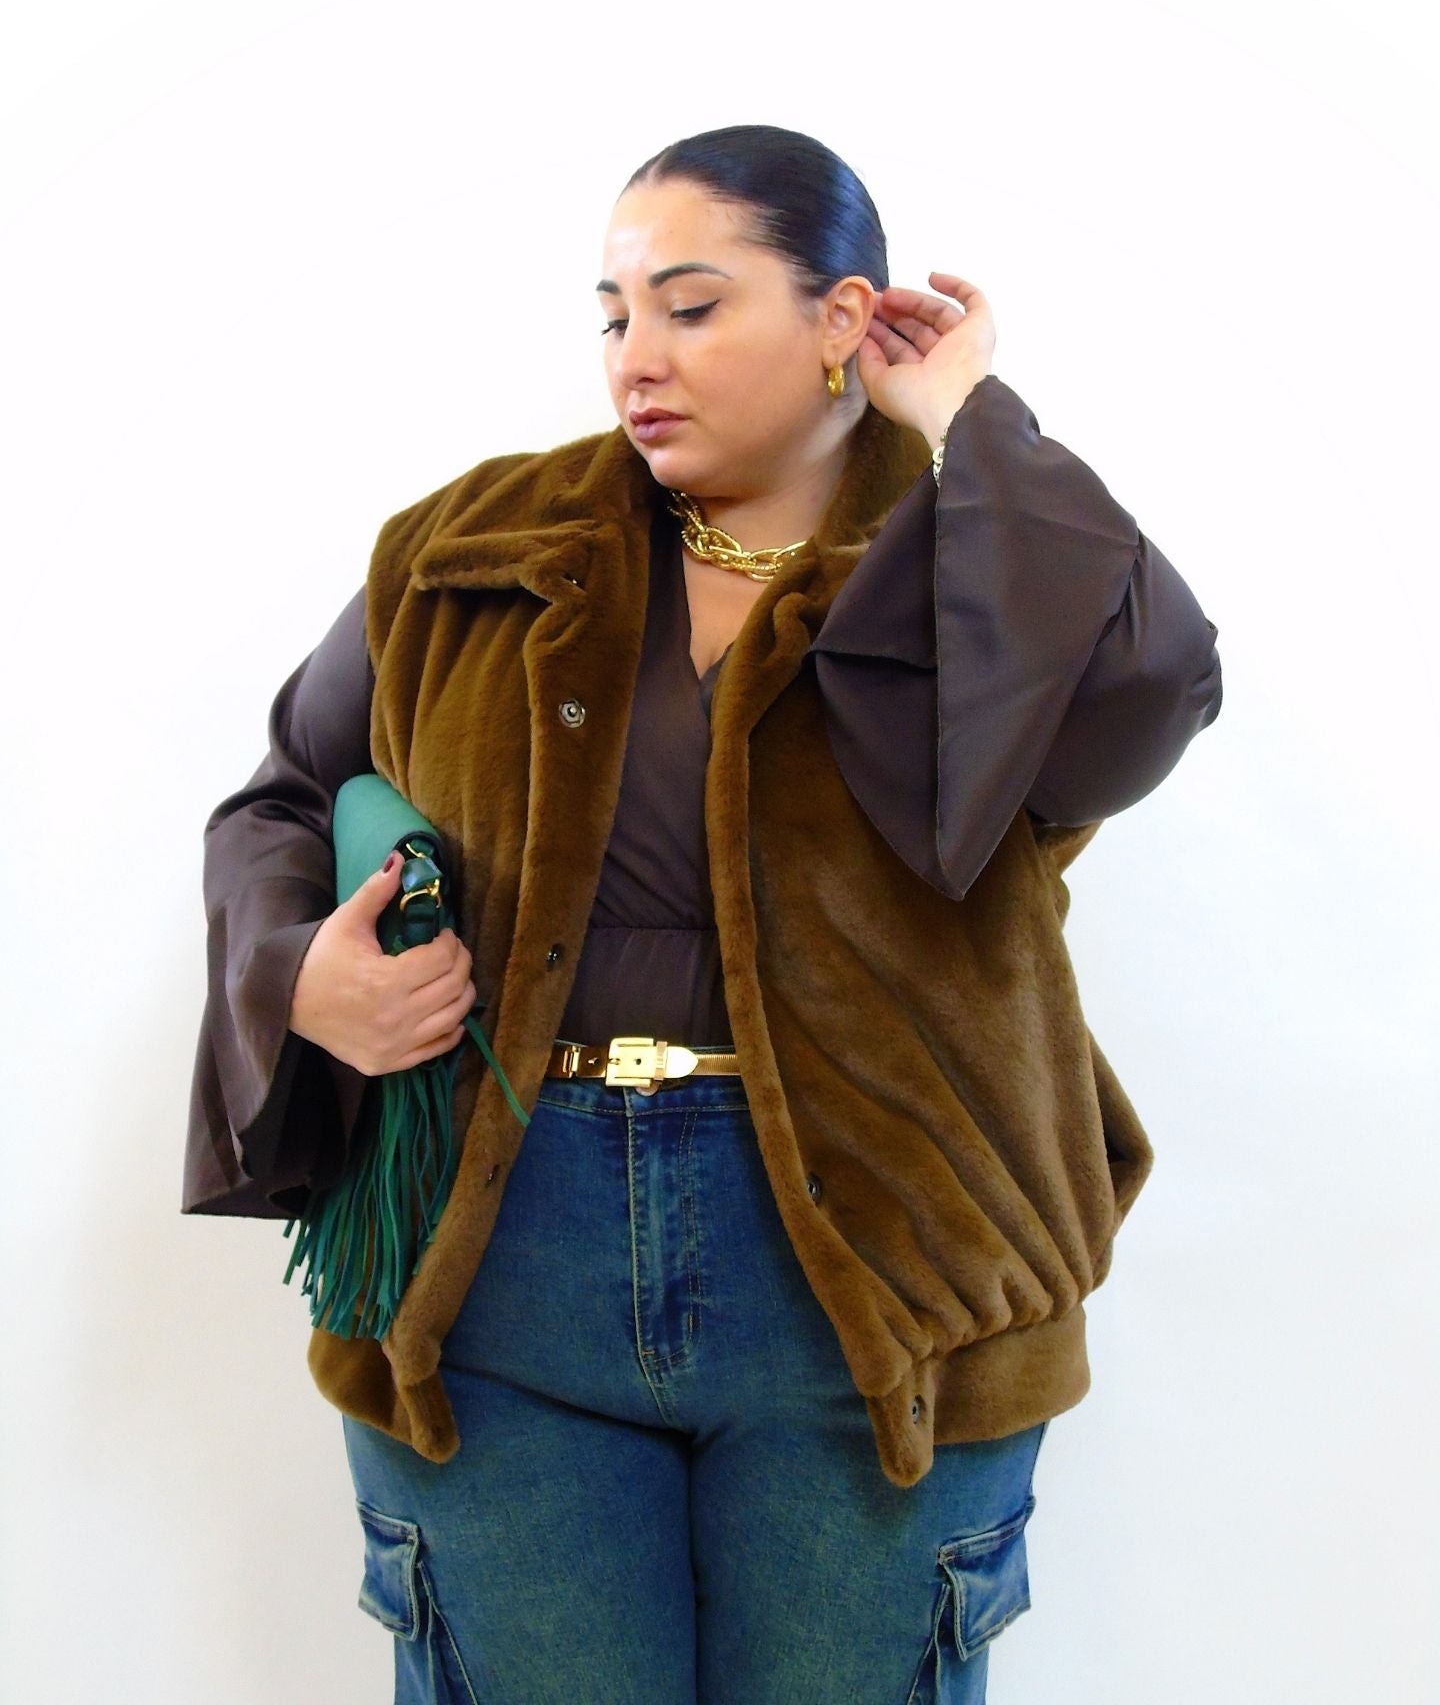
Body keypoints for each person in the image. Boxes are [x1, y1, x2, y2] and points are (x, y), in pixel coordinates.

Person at [182, 123, 1222, 1703]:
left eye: (690, 305)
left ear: (842, 318)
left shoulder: (983, 568)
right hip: (499, 1262)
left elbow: (1152, 685)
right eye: (614, 316)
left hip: (880, 1274)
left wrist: (968, 418)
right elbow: (280, 801)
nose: (636, 357)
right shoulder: (475, 553)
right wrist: (297, 980)